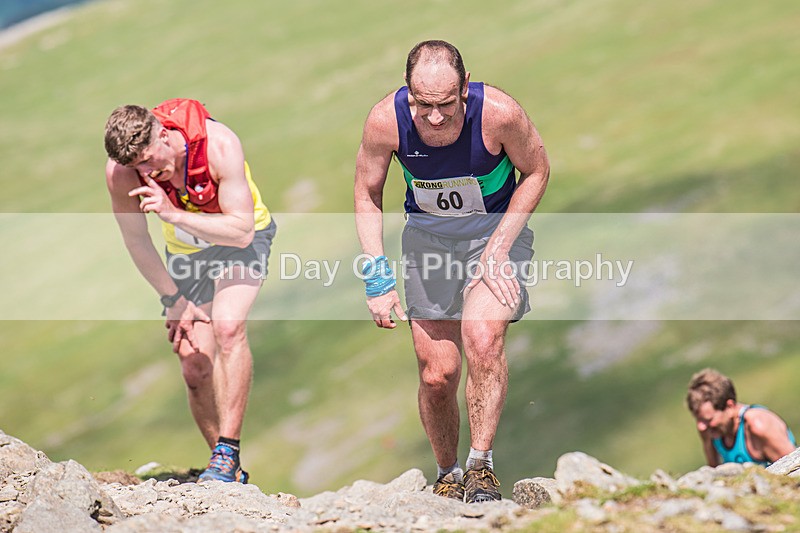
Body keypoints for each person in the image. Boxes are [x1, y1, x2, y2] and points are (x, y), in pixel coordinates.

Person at [354, 40, 549, 503]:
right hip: (428, 242)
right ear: (408, 91)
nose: (436, 117)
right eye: (424, 105)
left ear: (465, 86)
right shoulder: (386, 121)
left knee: (482, 336)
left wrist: (499, 247)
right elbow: (367, 193)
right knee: (437, 374)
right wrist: (377, 277)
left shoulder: (499, 114)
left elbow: (537, 172)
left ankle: (481, 469)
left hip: (494, 236)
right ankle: (447, 474)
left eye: (446, 104)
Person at [104, 99, 276, 483]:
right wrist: (173, 299)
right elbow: (136, 240)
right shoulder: (122, 173)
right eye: (136, 167)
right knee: (194, 364)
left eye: (149, 160)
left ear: (164, 135)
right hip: (188, 255)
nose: (147, 172)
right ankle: (227, 470)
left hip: (241, 240)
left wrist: (172, 214)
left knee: (228, 327)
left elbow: (241, 231)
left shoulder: (219, 145)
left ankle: (227, 451)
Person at [686, 368, 796, 467]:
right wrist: (707, 444)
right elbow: (712, 471)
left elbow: (794, 468)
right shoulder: (711, 430)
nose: (701, 427)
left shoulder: (759, 426)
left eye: (708, 420)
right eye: (698, 419)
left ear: (730, 406)